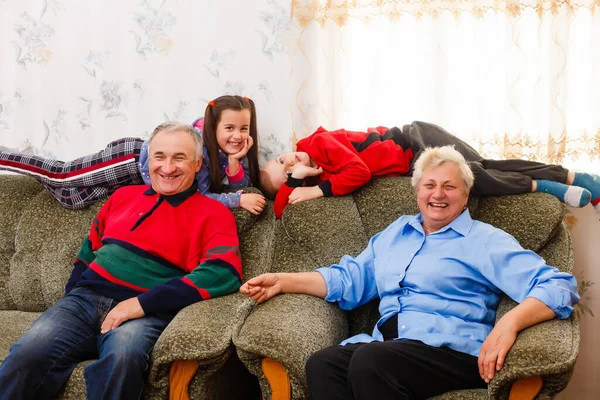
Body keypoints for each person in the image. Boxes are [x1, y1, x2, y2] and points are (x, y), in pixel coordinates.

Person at [242, 145, 579, 400]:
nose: (437, 194)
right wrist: (282, 280)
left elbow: (558, 285)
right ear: (417, 191)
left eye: (450, 186)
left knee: (370, 361)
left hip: (452, 351)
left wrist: (509, 323)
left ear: (465, 195)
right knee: (323, 364)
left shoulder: (484, 240)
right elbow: (349, 279)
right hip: (391, 349)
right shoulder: (397, 232)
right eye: (429, 185)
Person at [0, 122, 243, 399]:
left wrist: (141, 304)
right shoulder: (122, 196)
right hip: (83, 302)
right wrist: (73, 296)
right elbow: (88, 251)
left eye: (179, 158)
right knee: (28, 354)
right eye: (159, 156)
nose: (167, 167)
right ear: (148, 160)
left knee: (123, 358)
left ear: (198, 163)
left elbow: (223, 272)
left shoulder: (214, 213)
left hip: (145, 312)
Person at [260, 121, 600, 219]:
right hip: (417, 151)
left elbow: (360, 172)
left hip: (417, 140)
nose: (289, 163)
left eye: (281, 159)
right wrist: (296, 180)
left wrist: (316, 188)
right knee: (489, 166)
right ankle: (574, 178)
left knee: (474, 178)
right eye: (285, 172)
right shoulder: (319, 172)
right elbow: (279, 210)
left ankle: (544, 187)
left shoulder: (316, 143)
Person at [0, 95, 266, 215]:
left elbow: (242, 187)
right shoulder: (199, 148)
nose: (237, 135)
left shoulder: (222, 157)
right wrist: (235, 201)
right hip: (128, 159)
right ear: (213, 126)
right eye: (229, 128)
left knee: (73, 199)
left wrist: (234, 161)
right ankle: (7, 157)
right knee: (61, 175)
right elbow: (202, 198)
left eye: (244, 128)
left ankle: (30, 162)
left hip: (134, 180)